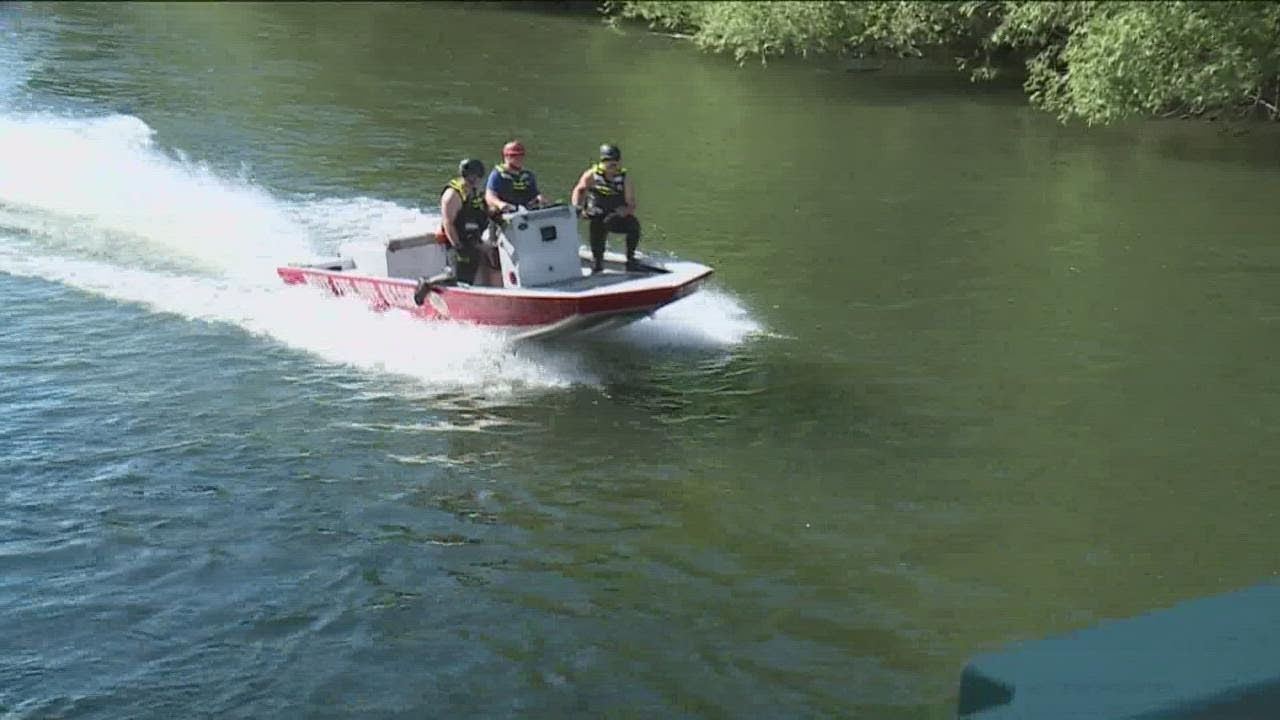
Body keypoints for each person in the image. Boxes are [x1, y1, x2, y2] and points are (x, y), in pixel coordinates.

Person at [571, 143, 640, 273]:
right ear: (603, 162)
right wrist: (577, 208)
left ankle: (630, 258)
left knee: (634, 225)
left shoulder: (624, 179)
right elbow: (579, 190)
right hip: (597, 213)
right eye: (609, 164)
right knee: (597, 225)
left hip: (615, 216)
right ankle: (597, 263)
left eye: (615, 164)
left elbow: (631, 204)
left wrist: (624, 211)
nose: (612, 168)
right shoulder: (592, 175)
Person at [438, 158, 491, 285]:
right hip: (457, 242)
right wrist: (458, 246)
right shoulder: (453, 195)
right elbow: (448, 223)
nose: (478, 180)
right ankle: (427, 283)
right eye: (475, 177)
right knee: (458, 277)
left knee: (470, 277)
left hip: (473, 239)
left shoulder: (474, 192)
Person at [485, 140, 548, 214]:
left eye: (521, 155)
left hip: (526, 212)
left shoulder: (527, 175)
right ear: (506, 156)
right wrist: (500, 204)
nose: (518, 159)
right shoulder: (498, 174)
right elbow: (490, 196)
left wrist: (539, 198)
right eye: (514, 156)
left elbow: (534, 194)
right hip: (506, 213)